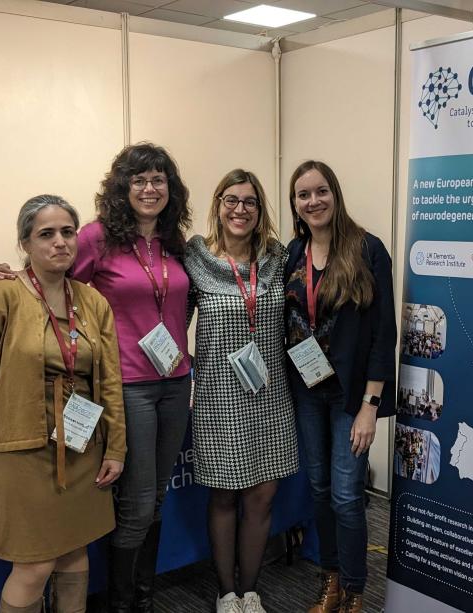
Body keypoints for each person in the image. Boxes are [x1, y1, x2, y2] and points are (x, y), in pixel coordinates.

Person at [0, 143, 193, 613]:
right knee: (138, 503)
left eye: (158, 179)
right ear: (121, 186)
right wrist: (9, 275)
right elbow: (50, 282)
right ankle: (121, 604)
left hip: (176, 381)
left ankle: (143, 597)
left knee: (156, 497)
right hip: (128, 385)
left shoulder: (175, 241)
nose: (149, 187)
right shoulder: (97, 237)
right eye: (138, 179)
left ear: (170, 188)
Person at [0, 194, 126, 613]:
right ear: (26, 244)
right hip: (23, 449)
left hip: (82, 446)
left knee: (73, 552)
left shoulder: (92, 301)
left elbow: (109, 381)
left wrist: (116, 447)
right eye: (46, 234)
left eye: (68, 232)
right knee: (33, 566)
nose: (59, 242)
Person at [283, 161, 397, 613]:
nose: (313, 201)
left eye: (321, 191)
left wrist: (371, 404)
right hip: (306, 389)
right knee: (317, 489)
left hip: (352, 393)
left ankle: (353, 589)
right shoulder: (294, 252)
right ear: (295, 203)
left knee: (347, 495)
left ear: (335, 194)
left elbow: (383, 333)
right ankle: (329, 579)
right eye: (303, 194)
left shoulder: (369, 250)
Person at [184, 169, 299, 613]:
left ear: (260, 209)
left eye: (249, 201)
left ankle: (250, 591)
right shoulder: (195, 258)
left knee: (262, 496)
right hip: (217, 398)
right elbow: (170, 320)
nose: (240, 209)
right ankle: (225, 592)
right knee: (224, 495)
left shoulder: (277, 257)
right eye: (231, 200)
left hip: (270, 395)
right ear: (218, 205)